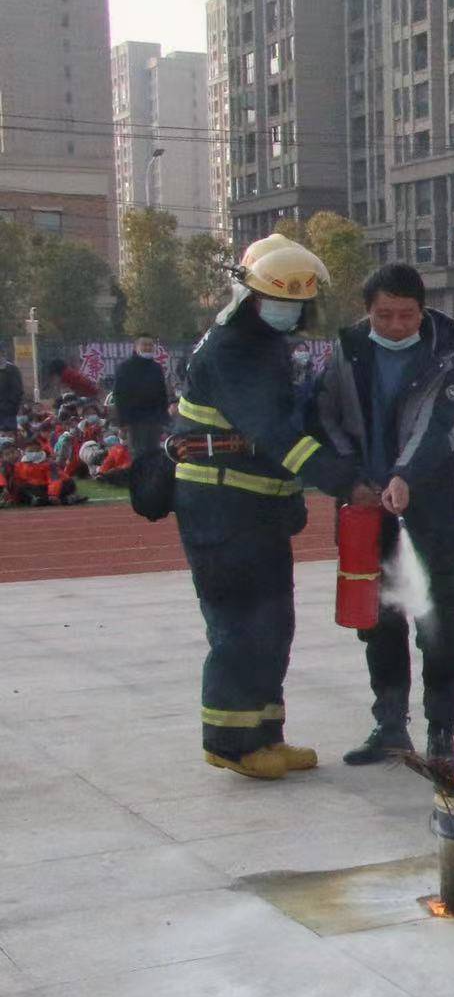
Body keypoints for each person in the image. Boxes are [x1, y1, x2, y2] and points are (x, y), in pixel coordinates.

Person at [170, 235, 364, 780]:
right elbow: (275, 434)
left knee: (271, 623)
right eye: (286, 300)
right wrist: (342, 480)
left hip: (252, 508)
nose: (294, 311)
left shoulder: (261, 345)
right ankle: (230, 743)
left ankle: (264, 734)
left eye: (301, 302)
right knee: (239, 626)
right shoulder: (235, 348)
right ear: (254, 297)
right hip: (222, 508)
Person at [312, 263, 454, 766]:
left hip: (433, 498)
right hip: (366, 505)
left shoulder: (449, 348)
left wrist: (405, 474)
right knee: (378, 617)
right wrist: (352, 478)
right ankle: (389, 723)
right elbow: (327, 415)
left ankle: (442, 730)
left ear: (423, 311)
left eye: (407, 315)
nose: (397, 326)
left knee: (438, 621)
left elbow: (441, 424)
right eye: (385, 316)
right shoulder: (349, 349)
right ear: (367, 312)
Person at [112, 333, 172, 449]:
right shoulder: (125, 367)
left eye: (150, 345)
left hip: (154, 421)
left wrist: (164, 418)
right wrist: (122, 422)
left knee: (154, 454)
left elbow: (162, 395)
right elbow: (119, 396)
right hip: (134, 422)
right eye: (144, 345)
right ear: (136, 347)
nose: (148, 348)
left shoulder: (156, 368)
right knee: (139, 455)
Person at [0, 348, 24, 428]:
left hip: (7, 413)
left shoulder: (11, 370)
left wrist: (9, 407)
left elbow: (17, 391)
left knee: (8, 438)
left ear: (2, 353)